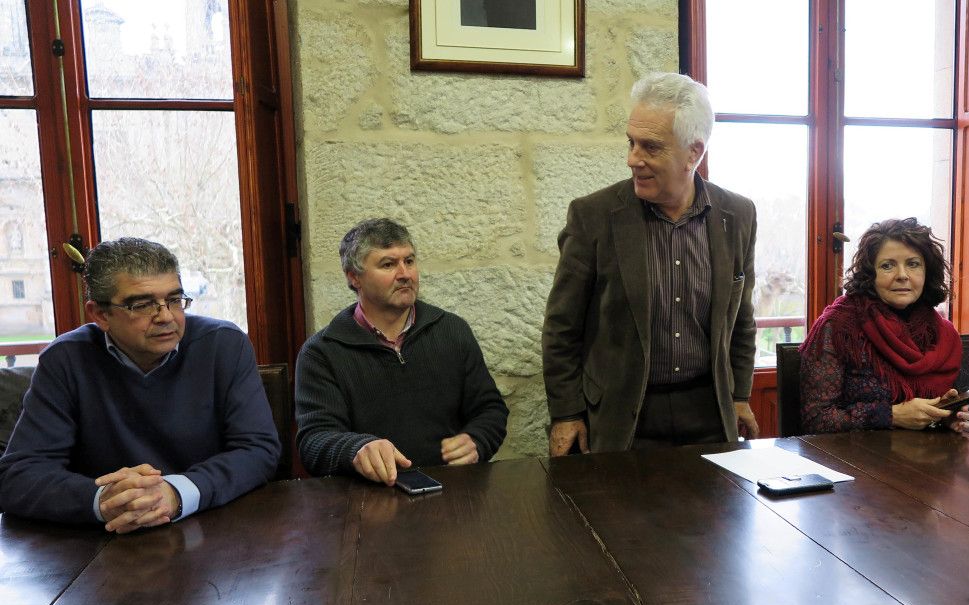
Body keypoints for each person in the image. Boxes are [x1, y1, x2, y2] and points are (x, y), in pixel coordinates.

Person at [542, 72, 760, 454]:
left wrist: (739, 394)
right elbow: (562, 328)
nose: (633, 160)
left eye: (651, 148)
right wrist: (566, 414)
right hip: (623, 417)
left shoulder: (737, 215)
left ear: (694, 152)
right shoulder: (593, 216)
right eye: (631, 143)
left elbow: (741, 319)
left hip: (709, 415)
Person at [0, 238, 280, 533]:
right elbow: (18, 475)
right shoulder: (65, 360)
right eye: (143, 304)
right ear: (100, 314)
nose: (166, 317)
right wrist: (103, 501)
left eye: (175, 299)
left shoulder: (223, 344)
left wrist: (175, 493)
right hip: (103, 544)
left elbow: (258, 450)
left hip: (213, 530)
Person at [295, 218, 508, 485]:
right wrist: (356, 450)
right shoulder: (322, 353)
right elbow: (314, 441)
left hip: (452, 494)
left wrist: (477, 440)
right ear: (354, 277)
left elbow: (490, 409)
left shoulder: (452, 331)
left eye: (409, 261)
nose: (405, 273)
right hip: (368, 502)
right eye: (388, 264)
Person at [796, 218, 969, 434]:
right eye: (887, 265)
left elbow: (926, 416)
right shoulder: (839, 326)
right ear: (870, 274)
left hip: (923, 460)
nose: (902, 275)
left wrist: (943, 416)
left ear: (927, 272)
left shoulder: (940, 333)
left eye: (913, 264)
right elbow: (816, 419)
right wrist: (891, 415)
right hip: (853, 461)